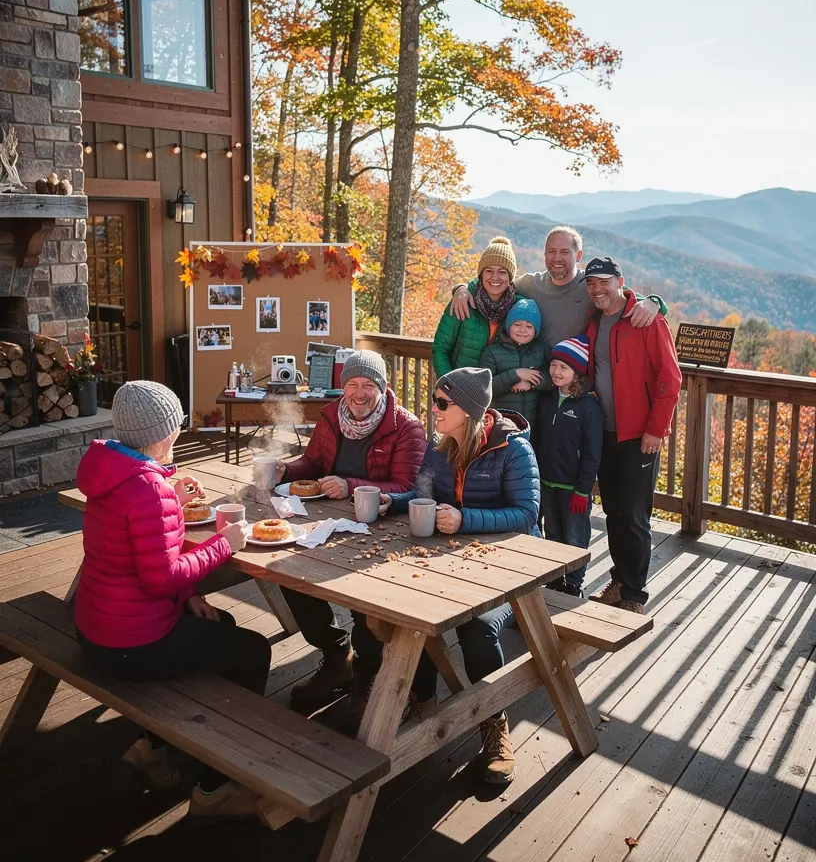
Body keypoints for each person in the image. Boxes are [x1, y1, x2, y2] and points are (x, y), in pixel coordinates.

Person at [74, 380, 270, 821]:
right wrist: (225, 544)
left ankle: (153, 747)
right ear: (164, 434)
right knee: (255, 652)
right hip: (130, 647)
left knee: (223, 628)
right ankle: (215, 786)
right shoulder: (148, 488)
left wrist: (191, 593)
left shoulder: (110, 472)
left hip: (96, 629)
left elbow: (141, 554)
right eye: (177, 427)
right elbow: (161, 578)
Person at [360, 367, 540, 785]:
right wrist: (394, 501)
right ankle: (423, 702)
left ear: (470, 410)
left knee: (477, 629)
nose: (434, 410)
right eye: (435, 401)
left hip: (511, 567)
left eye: (443, 404)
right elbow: (422, 494)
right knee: (407, 611)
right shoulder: (440, 449)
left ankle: (494, 726)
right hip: (452, 564)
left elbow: (527, 514)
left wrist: (464, 519)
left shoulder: (514, 451)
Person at [274, 350, 427, 711]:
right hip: (327, 520)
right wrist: (286, 470)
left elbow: (408, 486)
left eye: (369, 385)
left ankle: (368, 674)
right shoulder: (331, 415)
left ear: (384, 388)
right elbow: (313, 461)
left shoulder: (406, 426)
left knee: (364, 600)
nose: (359, 394)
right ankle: (335, 654)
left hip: (383, 529)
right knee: (286, 572)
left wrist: (350, 485)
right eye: (352, 385)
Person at [583, 257, 682, 614]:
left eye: (604, 282)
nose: (597, 290)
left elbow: (670, 379)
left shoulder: (645, 319)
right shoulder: (595, 322)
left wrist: (656, 430)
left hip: (639, 434)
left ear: (620, 282)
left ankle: (635, 595)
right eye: (591, 284)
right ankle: (620, 580)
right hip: (605, 431)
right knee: (612, 511)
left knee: (634, 514)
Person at [450, 225, 665, 347]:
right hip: (533, 380)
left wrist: (654, 301)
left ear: (578, 255)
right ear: (544, 255)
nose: (557, 258)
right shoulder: (529, 284)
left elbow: (626, 298)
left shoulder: (591, 287)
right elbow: (495, 283)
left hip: (574, 386)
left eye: (564, 252)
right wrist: (461, 288)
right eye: (551, 251)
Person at [535, 335, 604, 596]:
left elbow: (592, 453)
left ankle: (573, 582)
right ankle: (554, 578)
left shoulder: (588, 407)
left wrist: (583, 490)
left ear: (577, 372)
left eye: (564, 367)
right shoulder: (548, 400)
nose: (556, 372)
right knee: (552, 531)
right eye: (553, 365)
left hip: (574, 486)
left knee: (575, 536)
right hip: (548, 481)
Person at [432, 236, 517, 376]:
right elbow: (441, 348)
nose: (495, 277)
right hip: (458, 388)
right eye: (489, 270)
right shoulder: (462, 300)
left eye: (502, 272)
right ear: (481, 274)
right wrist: (449, 385)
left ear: (510, 277)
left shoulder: (518, 308)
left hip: (498, 392)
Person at [480, 297, 550, 438]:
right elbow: (485, 388)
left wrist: (530, 383)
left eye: (529, 326)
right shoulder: (492, 352)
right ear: (508, 325)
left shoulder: (541, 350)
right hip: (502, 424)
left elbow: (551, 379)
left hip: (533, 424)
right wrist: (515, 374)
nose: (523, 330)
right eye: (517, 324)